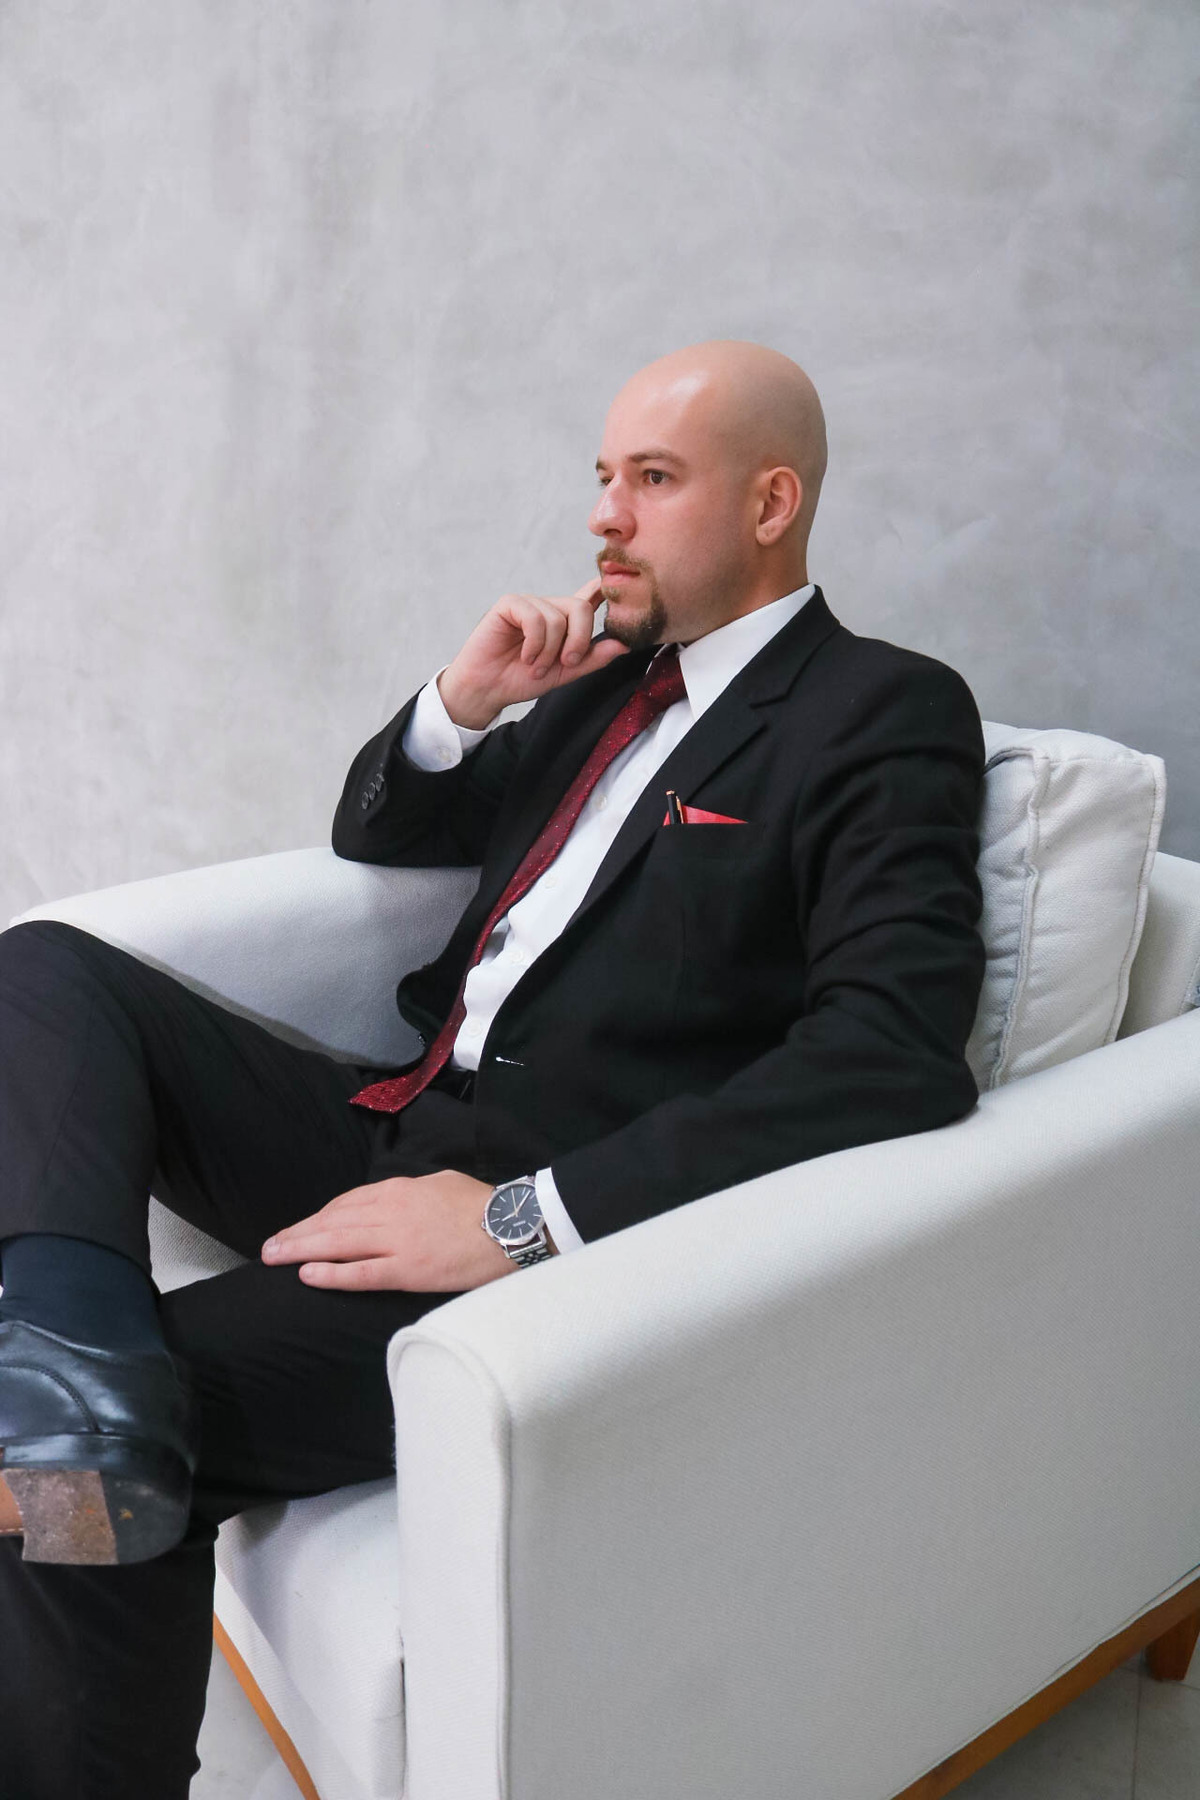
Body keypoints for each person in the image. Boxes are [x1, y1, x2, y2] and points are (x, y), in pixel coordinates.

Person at [0, 340, 986, 1796]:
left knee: (103, 1455)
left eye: (653, 479)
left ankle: (73, 1468)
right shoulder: (601, 688)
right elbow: (384, 833)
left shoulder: (881, 710)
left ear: (772, 503)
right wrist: (462, 705)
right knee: (43, 967)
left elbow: (893, 1051)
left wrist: (519, 1220)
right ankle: (54, 1351)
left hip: (550, 1221)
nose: (605, 515)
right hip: (397, 1118)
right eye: (604, 477)